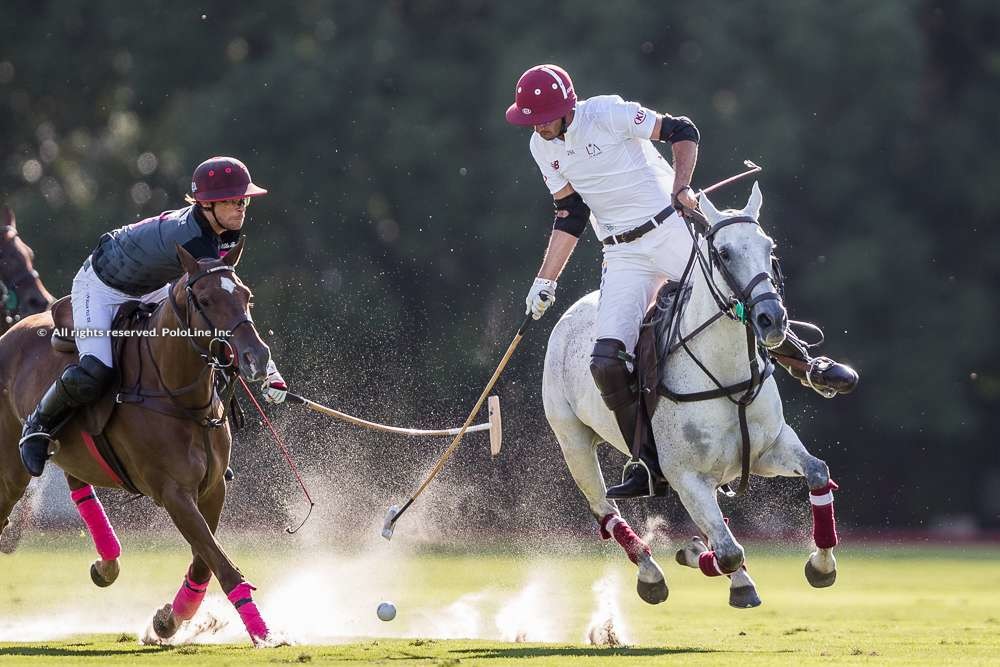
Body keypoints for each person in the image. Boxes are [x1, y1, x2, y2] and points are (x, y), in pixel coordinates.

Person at [506, 64, 858, 499]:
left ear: (567, 107)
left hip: (669, 229)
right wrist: (546, 281)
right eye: (531, 119)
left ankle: (808, 366)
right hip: (622, 253)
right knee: (606, 362)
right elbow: (571, 214)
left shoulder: (608, 113)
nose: (538, 125)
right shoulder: (542, 148)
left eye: (544, 116)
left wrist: (681, 187)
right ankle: (649, 461)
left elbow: (681, 130)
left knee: (736, 296)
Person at [19, 156, 289, 477]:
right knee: (95, 369)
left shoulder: (225, 230)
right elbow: (223, 309)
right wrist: (265, 369)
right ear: (207, 205)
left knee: (195, 350)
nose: (241, 207)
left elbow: (230, 306)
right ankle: (36, 428)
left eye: (243, 200)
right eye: (232, 201)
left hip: (151, 285)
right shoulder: (195, 239)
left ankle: (204, 445)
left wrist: (269, 370)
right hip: (102, 286)